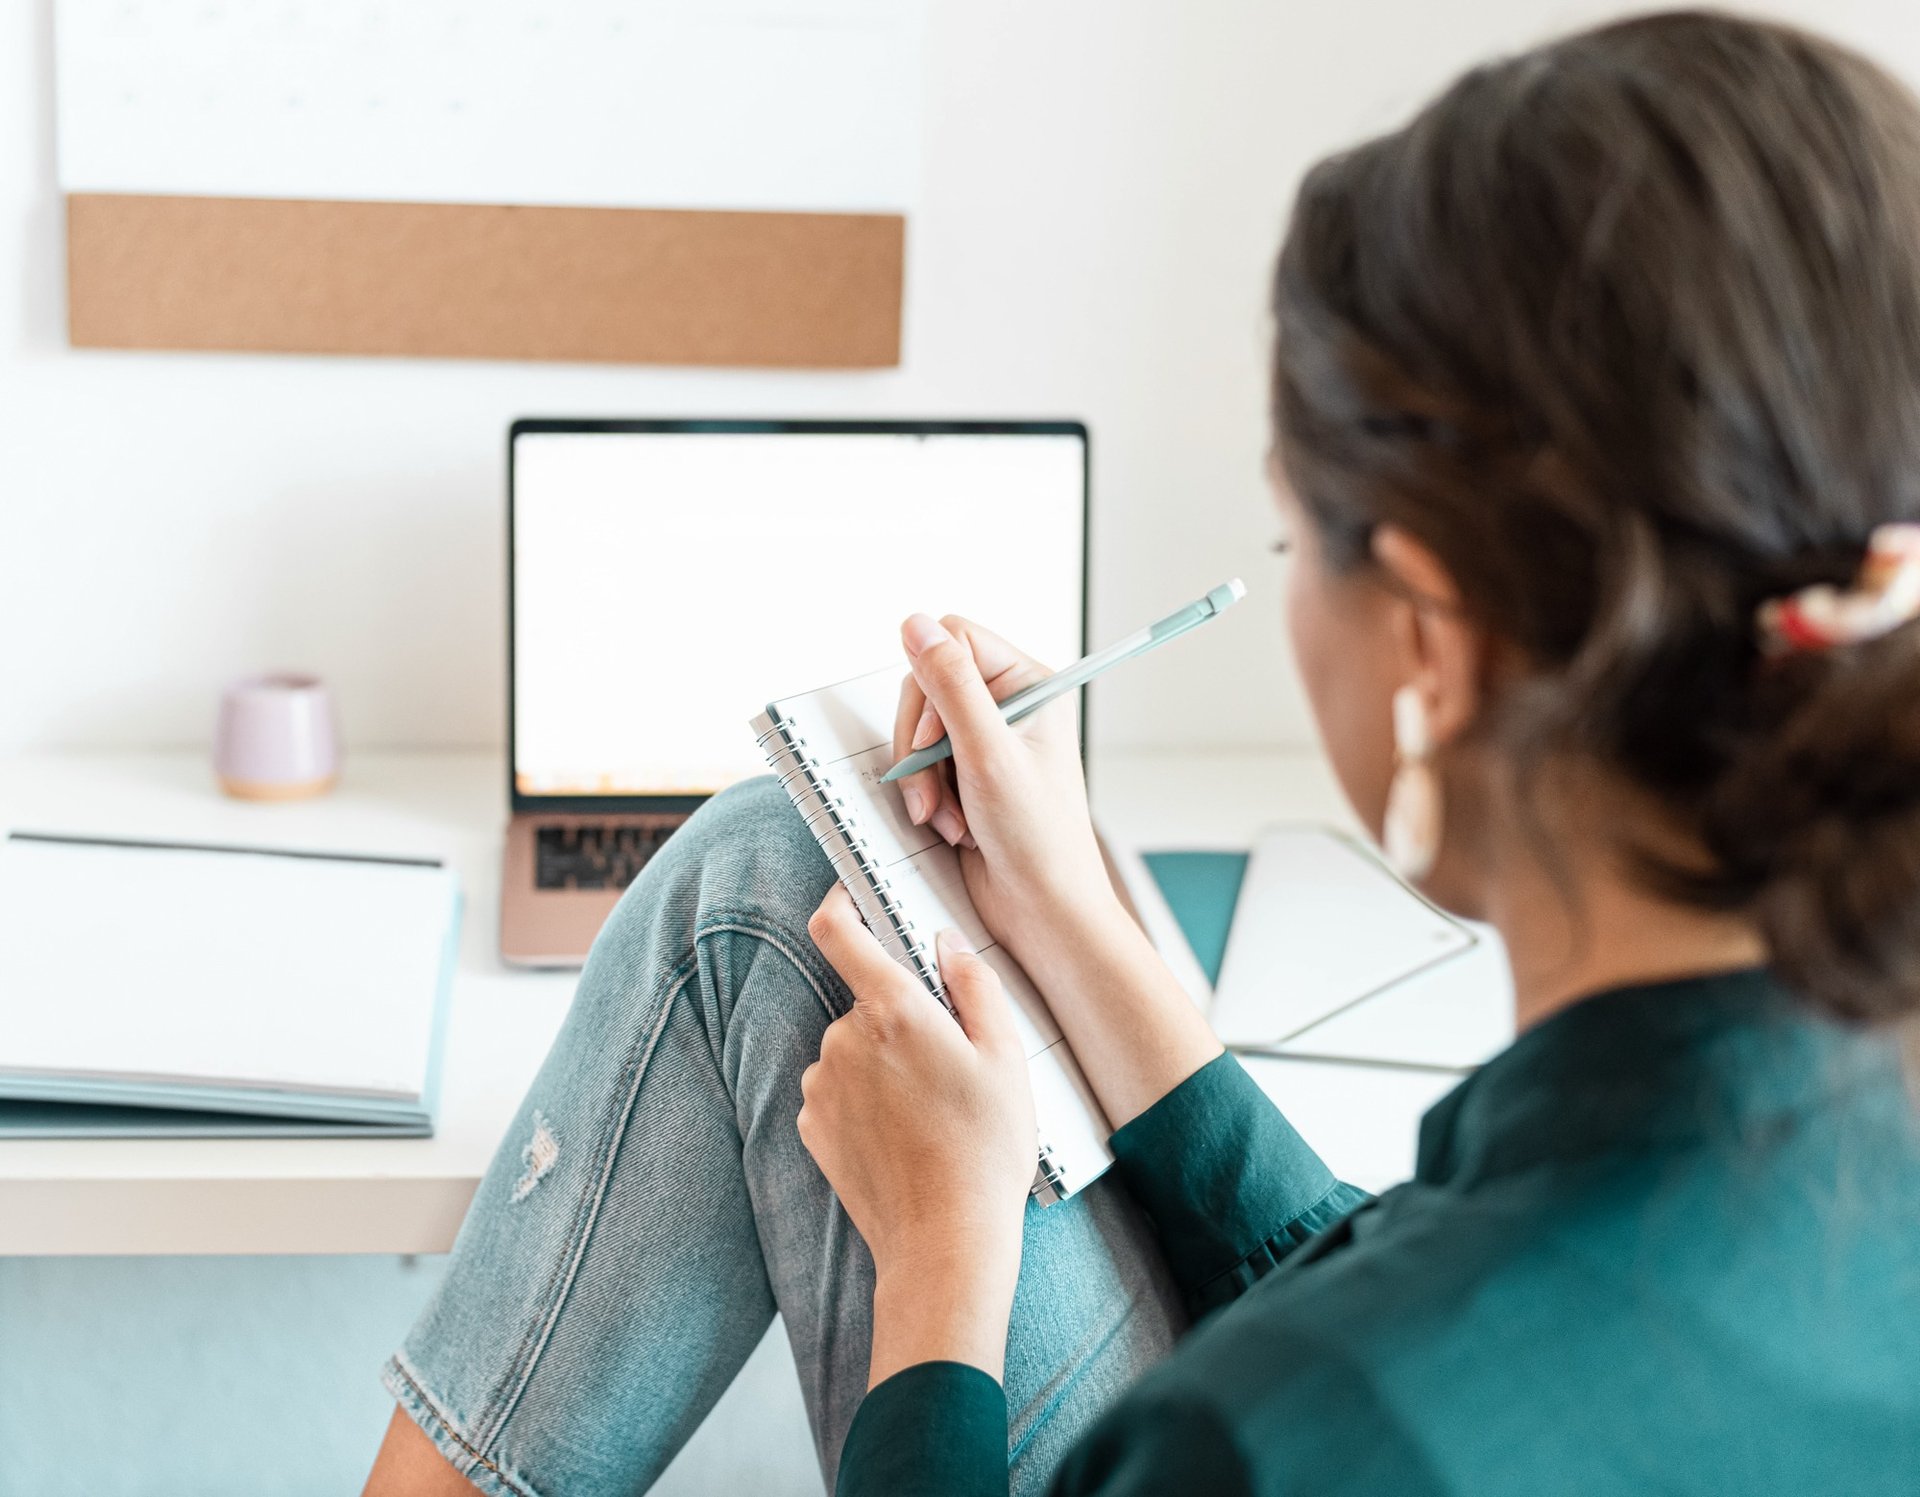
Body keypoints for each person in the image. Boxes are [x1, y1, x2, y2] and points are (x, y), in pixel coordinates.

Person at [363, 12, 1920, 1495]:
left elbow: (1393, 1357)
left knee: (761, 905)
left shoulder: (1279, 1440)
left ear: (1431, 649)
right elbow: (1415, 1263)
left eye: (1295, 537)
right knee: (792, 861)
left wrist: (941, 1265)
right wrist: (1074, 917)